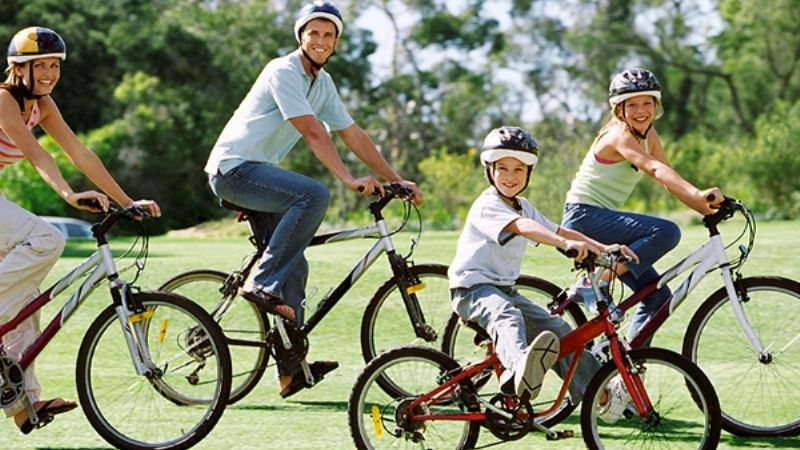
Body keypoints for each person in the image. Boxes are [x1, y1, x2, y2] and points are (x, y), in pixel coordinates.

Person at [204, 0, 422, 399]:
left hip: (256, 176)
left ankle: (291, 370)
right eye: (313, 33)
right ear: (300, 36)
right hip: (234, 169)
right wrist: (348, 178)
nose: (320, 41)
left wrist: (396, 179)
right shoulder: (283, 70)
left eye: (328, 35)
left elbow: (352, 134)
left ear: (336, 42)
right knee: (313, 194)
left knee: (296, 268)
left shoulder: (321, 84)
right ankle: (261, 283)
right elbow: (313, 132)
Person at [0, 26, 160, 434]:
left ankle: (24, 406)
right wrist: (69, 195)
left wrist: (126, 202)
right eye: (42, 66)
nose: (51, 73)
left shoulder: (43, 105)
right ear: (19, 68)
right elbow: (37, 155)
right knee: (47, 239)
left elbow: (78, 152)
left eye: (55, 65)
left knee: (23, 304)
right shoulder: (3, 99)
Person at [448, 126, 637, 418]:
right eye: (503, 169)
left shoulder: (523, 206)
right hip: (472, 289)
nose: (510, 176)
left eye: (519, 170)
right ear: (490, 171)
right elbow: (523, 227)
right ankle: (517, 374)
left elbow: (559, 229)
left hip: (505, 290)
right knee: (506, 317)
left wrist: (604, 248)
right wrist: (563, 244)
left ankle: (600, 396)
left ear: (528, 175)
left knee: (559, 331)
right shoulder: (489, 205)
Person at [561, 68, 723, 345]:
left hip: (601, 219)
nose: (641, 110)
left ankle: (625, 374)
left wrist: (704, 207)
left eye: (647, 102)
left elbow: (668, 178)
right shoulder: (617, 136)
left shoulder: (648, 135)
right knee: (667, 232)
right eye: (632, 104)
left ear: (656, 106)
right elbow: (654, 169)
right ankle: (592, 284)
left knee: (657, 297)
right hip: (583, 217)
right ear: (619, 110)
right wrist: (698, 193)